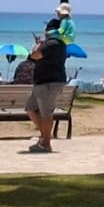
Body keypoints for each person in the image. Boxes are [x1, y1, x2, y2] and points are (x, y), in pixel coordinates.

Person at [25, 26, 69, 154]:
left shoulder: (50, 44)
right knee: (30, 108)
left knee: (46, 113)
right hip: (44, 82)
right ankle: (45, 137)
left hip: (47, 83)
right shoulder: (60, 44)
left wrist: (38, 44)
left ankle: (46, 143)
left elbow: (35, 55)